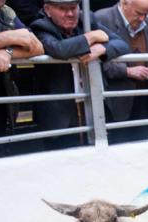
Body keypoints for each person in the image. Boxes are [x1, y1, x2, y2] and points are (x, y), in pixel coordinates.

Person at [30, 0, 129, 148]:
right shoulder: (40, 26)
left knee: (103, 155)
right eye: (63, 9)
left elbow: (122, 44)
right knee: (64, 157)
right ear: (48, 10)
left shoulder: (86, 20)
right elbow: (59, 49)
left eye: (73, 8)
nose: (70, 14)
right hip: (61, 116)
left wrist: (103, 49)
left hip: (94, 107)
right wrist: (91, 38)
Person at [95, 0, 148, 140]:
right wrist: (128, 71)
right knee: (119, 146)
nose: (142, 19)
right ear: (124, 3)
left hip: (144, 99)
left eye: (146, 14)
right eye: (138, 13)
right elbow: (96, 61)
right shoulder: (102, 19)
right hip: (115, 102)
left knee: (146, 144)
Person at [0, 0, 42, 155]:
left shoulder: (6, 12)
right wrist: (10, 37)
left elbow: (37, 46)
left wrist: (7, 52)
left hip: (2, 96)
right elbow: (22, 36)